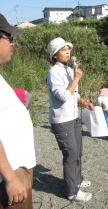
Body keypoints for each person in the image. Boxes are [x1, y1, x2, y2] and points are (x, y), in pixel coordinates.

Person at [46, 37, 93, 202]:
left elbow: (73, 93)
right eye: (63, 50)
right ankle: (72, 192)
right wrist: (77, 78)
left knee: (78, 151)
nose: (68, 52)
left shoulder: (67, 69)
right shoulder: (53, 72)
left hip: (73, 117)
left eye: (68, 49)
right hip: (61, 121)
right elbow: (63, 96)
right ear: (55, 55)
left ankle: (77, 181)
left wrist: (83, 102)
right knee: (71, 154)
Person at [0, 13, 36, 208]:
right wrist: (10, 178)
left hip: (15, 171)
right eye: (9, 37)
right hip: (8, 177)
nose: (12, 44)